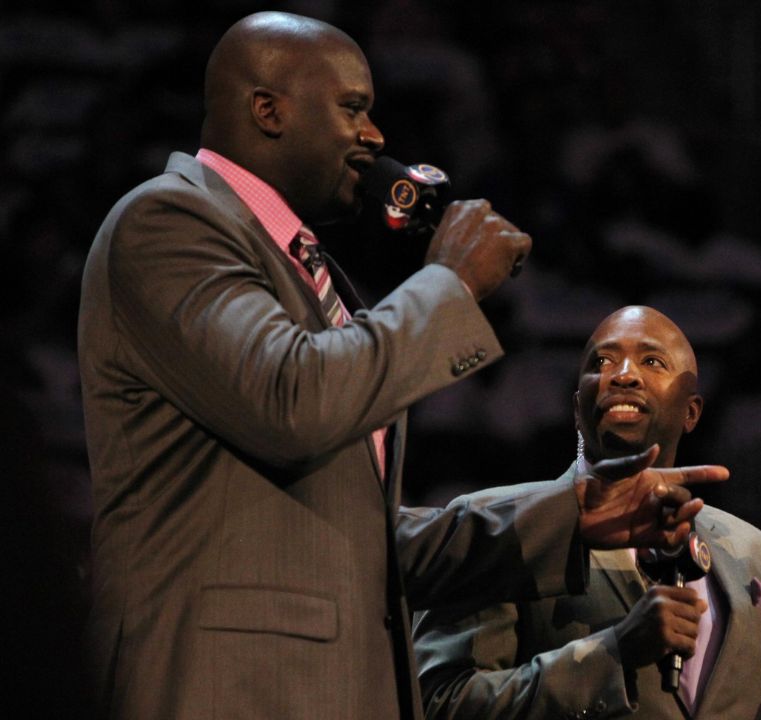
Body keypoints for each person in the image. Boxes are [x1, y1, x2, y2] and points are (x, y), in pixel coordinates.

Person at [78, 13, 724, 720]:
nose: (376, 136)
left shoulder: (307, 271)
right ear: (268, 110)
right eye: (353, 108)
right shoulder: (169, 221)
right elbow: (295, 401)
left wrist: (569, 515)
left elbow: (368, 543)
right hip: (230, 688)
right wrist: (448, 283)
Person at [414, 306, 761, 719]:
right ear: (578, 408)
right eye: (602, 361)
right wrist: (613, 653)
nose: (623, 375)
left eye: (652, 361)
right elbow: (439, 703)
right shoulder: (497, 525)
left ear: (692, 412)